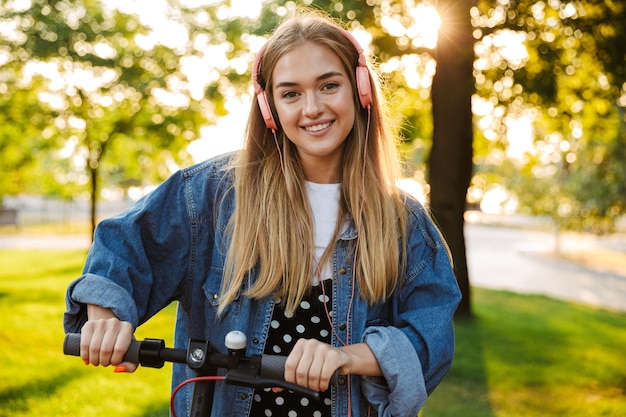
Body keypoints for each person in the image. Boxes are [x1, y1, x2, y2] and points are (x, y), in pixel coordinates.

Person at [64, 7, 461, 417]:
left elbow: (429, 338)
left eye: (329, 86)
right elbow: (125, 247)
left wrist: (347, 357)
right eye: (291, 93)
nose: (312, 108)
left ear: (360, 90)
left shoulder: (403, 221)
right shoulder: (209, 195)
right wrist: (104, 317)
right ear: (269, 108)